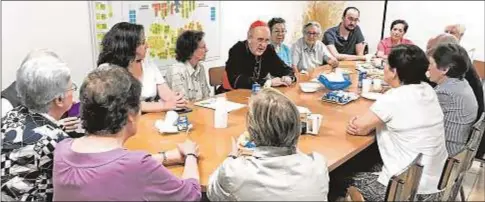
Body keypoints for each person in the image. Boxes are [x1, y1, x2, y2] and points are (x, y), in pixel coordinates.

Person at [53, 65, 201, 201]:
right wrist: (190, 155)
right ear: (131, 115)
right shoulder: (137, 164)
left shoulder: (62, 149)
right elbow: (191, 194)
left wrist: (165, 157)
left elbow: (106, 167)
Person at [346, 44, 448, 201]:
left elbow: (358, 126)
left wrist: (360, 123)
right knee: (368, 160)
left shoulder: (394, 98)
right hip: (437, 185)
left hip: (406, 193)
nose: (383, 66)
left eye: (386, 63)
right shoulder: (427, 90)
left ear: (394, 72)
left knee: (339, 177)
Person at [207, 88, 329, 201]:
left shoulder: (234, 171)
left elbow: (212, 193)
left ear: (252, 131)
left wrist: (231, 157)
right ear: (296, 126)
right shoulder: (318, 165)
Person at [1, 49, 75, 201]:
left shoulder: (13, 115)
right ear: (59, 99)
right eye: (71, 88)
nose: (73, 92)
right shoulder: (58, 142)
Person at [97, 22, 187, 113]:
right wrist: (164, 105)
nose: (147, 46)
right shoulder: (107, 70)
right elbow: (126, 105)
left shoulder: (148, 63)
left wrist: (176, 99)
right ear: (129, 47)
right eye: (143, 43)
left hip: (151, 119)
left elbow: (165, 92)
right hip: (124, 122)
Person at [427, 43, 478, 156]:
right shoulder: (461, 83)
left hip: (443, 153)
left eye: (431, 64)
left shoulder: (445, 92)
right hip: (456, 148)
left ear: (444, 69)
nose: (428, 68)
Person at [222, 20, 296, 90]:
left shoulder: (269, 49)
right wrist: (268, 82)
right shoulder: (237, 49)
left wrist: (288, 77)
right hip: (233, 95)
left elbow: (284, 69)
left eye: (267, 40)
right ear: (249, 38)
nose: (263, 45)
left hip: (259, 94)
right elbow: (237, 81)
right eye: (260, 40)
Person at [165, 30, 210, 101]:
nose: (207, 50)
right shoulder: (177, 71)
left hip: (198, 109)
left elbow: (206, 96)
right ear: (192, 50)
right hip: (183, 111)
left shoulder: (200, 68)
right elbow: (182, 103)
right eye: (203, 47)